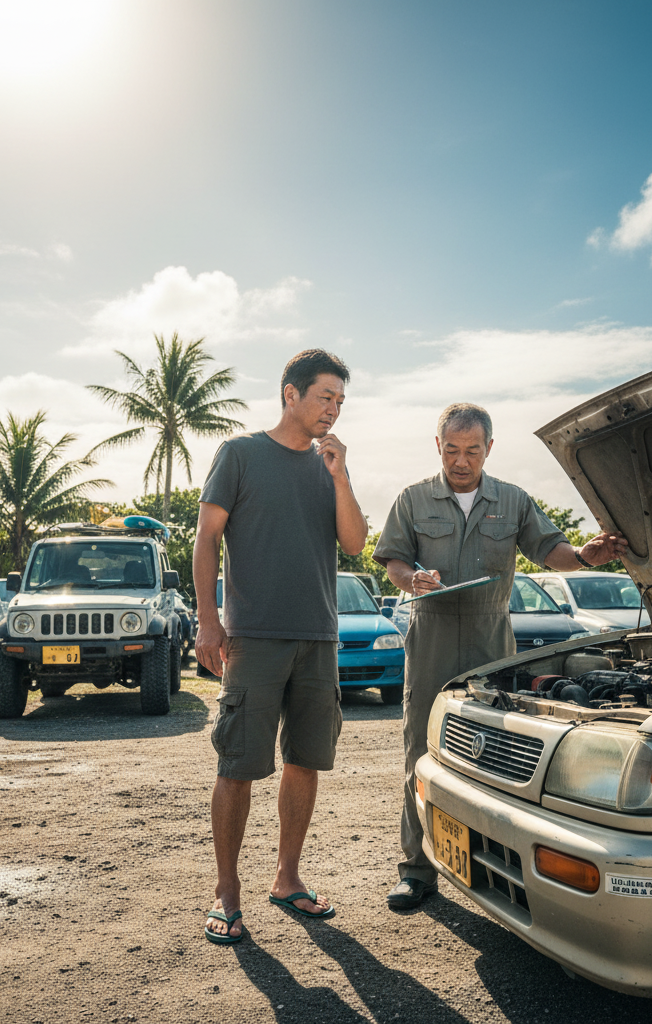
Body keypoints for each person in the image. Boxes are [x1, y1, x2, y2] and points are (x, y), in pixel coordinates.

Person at [374, 402, 628, 909]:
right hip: (431, 639)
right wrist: (410, 578)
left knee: (495, 753)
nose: (461, 461)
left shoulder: (512, 501)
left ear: (489, 448)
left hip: (494, 641)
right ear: (438, 446)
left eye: (471, 450)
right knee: (419, 750)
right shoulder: (412, 498)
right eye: (451, 450)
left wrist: (582, 557)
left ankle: (494, 866)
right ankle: (416, 869)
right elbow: (393, 560)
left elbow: (549, 548)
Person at [194, 348, 369, 943]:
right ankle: (227, 890)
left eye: (341, 401)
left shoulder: (330, 465)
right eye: (325, 397)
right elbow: (206, 539)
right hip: (253, 636)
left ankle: (287, 878)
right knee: (238, 762)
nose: (334, 410)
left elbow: (354, 544)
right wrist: (208, 621)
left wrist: (341, 476)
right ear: (289, 394)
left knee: (306, 760)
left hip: (318, 638)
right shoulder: (240, 455)